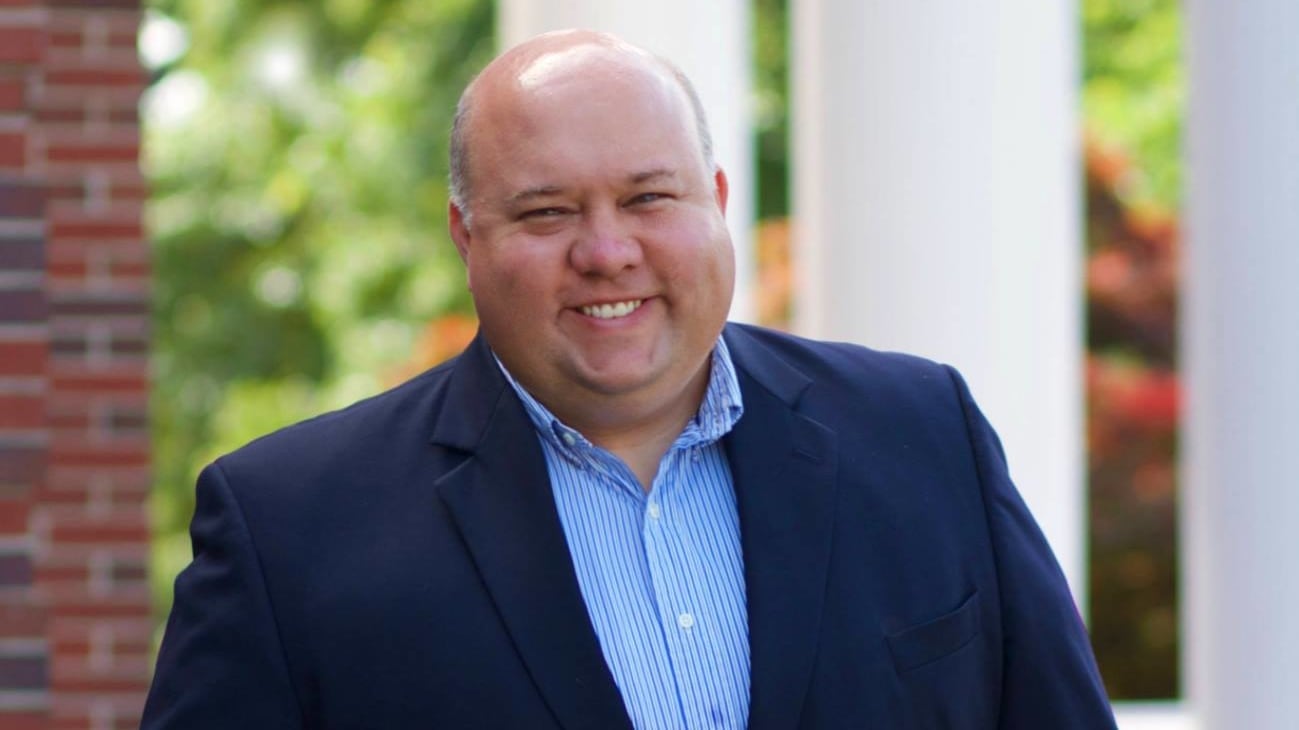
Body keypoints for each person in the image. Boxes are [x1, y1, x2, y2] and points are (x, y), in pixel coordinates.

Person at [142, 29, 1117, 729]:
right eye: (546, 212)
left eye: (650, 197)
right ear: (464, 237)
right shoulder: (289, 531)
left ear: (719, 201)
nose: (607, 251)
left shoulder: (923, 435)